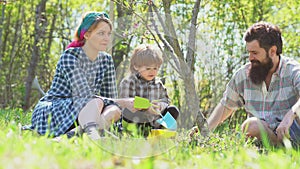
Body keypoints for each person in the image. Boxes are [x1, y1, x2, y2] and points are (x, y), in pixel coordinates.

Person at [192, 22, 300, 147]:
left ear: (272, 51)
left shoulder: (293, 71)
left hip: (293, 135)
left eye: (255, 53)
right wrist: (204, 132)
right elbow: (226, 105)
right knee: (251, 125)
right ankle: (279, 149)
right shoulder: (243, 75)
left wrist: (290, 115)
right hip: (262, 138)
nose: (250, 58)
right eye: (249, 52)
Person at [29, 11, 123, 140]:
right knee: (96, 101)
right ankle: (91, 135)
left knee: (114, 109)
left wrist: (117, 108)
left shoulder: (106, 60)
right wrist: (126, 102)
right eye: (101, 33)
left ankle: (73, 135)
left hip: (88, 110)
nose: (106, 38)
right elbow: (84, 95)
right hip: (56, 109)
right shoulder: (70, 56)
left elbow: (110, 97)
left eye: (108, 34)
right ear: (87, 35)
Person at [119, 44, 180, 136]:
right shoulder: (129, 82)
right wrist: (145, 107)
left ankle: (159, 131)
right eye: (148, 68)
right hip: (137, 117)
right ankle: (139, 132)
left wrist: (160, 105)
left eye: (155, 68)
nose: (152, 72)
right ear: (136, 66)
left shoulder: (158, 84)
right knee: (128, 112)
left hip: (155, 119)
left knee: (173, 110)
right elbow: (125, 102)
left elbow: (166, 100)